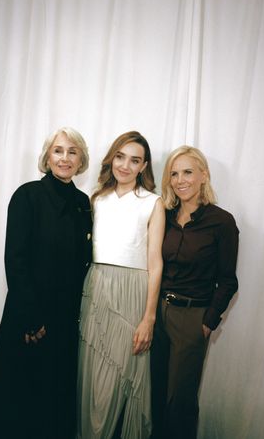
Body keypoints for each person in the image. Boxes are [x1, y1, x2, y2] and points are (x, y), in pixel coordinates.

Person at [0, 127, 92, 439]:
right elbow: (15, 261)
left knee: (54, 400)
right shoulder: (27, 195)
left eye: (72, 151)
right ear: (47, 156)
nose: (65, 158)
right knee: (22, 400)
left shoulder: (83, 203)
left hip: (65, 315)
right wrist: (31, 318)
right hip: (30, 312)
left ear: (81, 160)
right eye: (58, 150)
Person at [77, 131, 165, 439]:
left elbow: (155, 264)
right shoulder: (97, 199)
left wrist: (149, 318)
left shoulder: (153, 203)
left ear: (144, 166)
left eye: (134, 160)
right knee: (92, 378)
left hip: (132, 292)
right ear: (112, 158)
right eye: (120, 156)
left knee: (121, 379)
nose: (125, 165)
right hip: (96, 288)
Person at [150, 145, 239, 439]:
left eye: (188, 172)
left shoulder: (222, 222)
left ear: (204, 175)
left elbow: (228, 280)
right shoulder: (166, 215)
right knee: (155, 394)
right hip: (158, 314)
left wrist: (207, 322)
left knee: (180, 401)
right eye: (174, 174)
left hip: (192, 318)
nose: (180, 180)